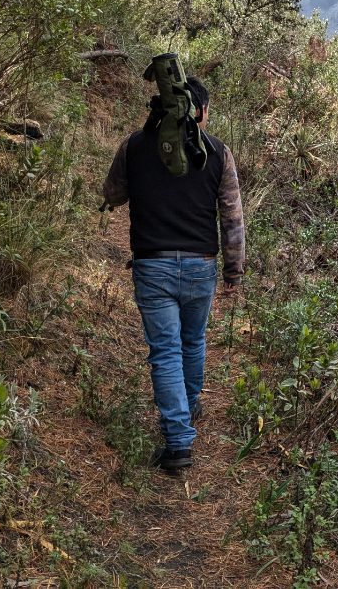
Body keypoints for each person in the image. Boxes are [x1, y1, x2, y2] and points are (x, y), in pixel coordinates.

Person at [102, 76, 244, 471]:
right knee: (192, 340)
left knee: (165, 352)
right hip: (201, 266)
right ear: (199, 111)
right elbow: (232, 220)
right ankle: (188, 407)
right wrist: (233, 273)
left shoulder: (134, 145)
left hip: (153, 265)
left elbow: (112, 194)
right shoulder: (218, 152)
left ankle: (179, 440)